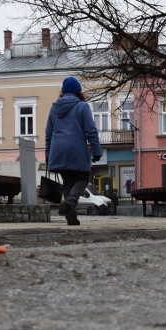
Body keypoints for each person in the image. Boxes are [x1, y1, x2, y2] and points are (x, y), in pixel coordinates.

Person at [45, 76, 102, 226]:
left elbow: (48, 134)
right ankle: (70, 201)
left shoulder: (54, 108)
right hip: (76, 149)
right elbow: (90, 130)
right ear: (78, 92)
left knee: (68, 182)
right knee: (83, 178)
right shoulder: (82, 106)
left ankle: (71, 216)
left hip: (58, 151)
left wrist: (48, 155)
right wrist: (96, 150)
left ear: (63, 92)